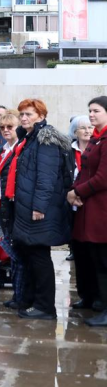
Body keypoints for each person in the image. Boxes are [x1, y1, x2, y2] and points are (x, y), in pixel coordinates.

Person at [9, 98, 71, 320]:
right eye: (22, 114)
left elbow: (46, 178)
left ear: (42, 117)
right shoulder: (30, 138)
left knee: (40, 257)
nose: (24, 118)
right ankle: (31, 300)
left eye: (29, 114)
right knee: (30, 255)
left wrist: (39, 207)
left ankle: (45, 307)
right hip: (27, 207)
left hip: (38, 210)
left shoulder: (45, 141)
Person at [69, 96, 107, 327]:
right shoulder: (96, 138)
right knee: (91, 257)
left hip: (101, 208)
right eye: (89, 111)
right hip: (89, 207)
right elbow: (85, 171)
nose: (91, 115)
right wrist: (74, 191)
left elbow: (103, 178)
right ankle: (94, 298)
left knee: (104, 261)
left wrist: (77, 192)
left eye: (96, 111)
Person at [0, 112, 24, 310]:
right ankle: (17, 293)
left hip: (15, 205)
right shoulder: (2, 150)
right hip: (4, 203)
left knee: (17, 251)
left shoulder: (20, 149)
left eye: (9, 127)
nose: (5, 131)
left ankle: (21, 294)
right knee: (11, 250)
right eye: (2, 128)